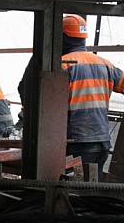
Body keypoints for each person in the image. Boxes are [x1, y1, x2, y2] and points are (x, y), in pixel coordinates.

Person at [18, 14, 124, 181]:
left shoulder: (61, 65)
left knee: (71, 191)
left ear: (62, 37)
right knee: (93, 190)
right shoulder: (106, 65)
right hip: (102, 141)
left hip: (76, 141)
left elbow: (29, 91)